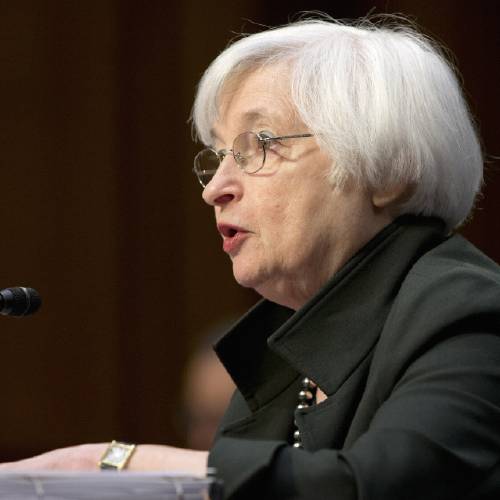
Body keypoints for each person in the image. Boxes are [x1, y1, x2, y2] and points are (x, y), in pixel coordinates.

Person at [1, 15, 500, 500]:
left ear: (389, 171)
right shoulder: (286, 353)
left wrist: (113, 466)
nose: (215, 189)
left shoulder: (470, 313)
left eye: (258, 145)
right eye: (218, 156)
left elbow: (377, 487)